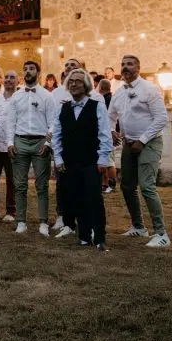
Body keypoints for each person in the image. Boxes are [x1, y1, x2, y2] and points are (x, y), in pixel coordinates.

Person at [109, 55, 170, 248]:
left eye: (130, 64)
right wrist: (111, 130)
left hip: (149, 143)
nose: (125, 67)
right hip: (128, 144)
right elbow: (110, 116)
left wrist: (142, 140)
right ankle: (139, 226)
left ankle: (161, 233)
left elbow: (161, 118)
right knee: (127, 186)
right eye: (123, 64)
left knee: (147, 186)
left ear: (138, 67)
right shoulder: (119, 92)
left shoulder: (150, 89)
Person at [52, 70, 113, 250]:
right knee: (76, 198)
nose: (74, 84)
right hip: (70, 161)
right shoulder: (63, 108)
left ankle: (100, 238)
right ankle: (84, 236)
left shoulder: (97, 106)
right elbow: (57, 135)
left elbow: (105, 134)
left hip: (91, 160)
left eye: (78, 81)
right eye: (71, 81)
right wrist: (58, 158)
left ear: (86, 85)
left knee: (94, 199)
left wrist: (103, 159)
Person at [6, 61, 58, 236]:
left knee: (42, 185)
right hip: (20, 141)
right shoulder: (16, 96)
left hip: (40, 142)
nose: (28, 71)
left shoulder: (47, 96)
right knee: (20, 185)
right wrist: (10, 142)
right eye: (26, 69)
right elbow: (10, 121)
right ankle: (21, 222)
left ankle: (43, 222)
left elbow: (53, 122)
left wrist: (48, 143)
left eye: (32, 69)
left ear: (38, 72)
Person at [0, 71, 18, 222]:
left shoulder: (20, 99)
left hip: (12, 145)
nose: (8, 80)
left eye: (12, 77)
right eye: (6, 77)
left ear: (17, 81)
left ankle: (11, 211)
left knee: (12, 180)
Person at [98, 78, 119, 194]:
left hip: (108, 133)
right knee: (107, 160)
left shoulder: (106, 100)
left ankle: (111, 184)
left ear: (100, 88)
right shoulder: (110, 98)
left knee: (109, 161)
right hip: (108, 132)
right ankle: (106, 184)